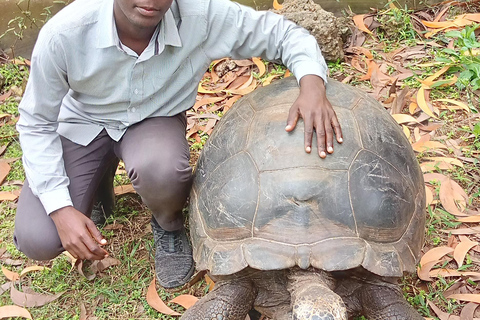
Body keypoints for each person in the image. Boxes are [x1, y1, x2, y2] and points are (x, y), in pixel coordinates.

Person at [13, 0, 343, 288]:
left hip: (153, 119)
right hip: (83, 123)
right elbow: (36, 122)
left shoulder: (202, 14)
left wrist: (312, 85)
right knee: (38, 238)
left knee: (162, 169)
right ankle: (96, 183)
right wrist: (59, 208)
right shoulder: (66, 32)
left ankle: (167, 225)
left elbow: (283, 33)